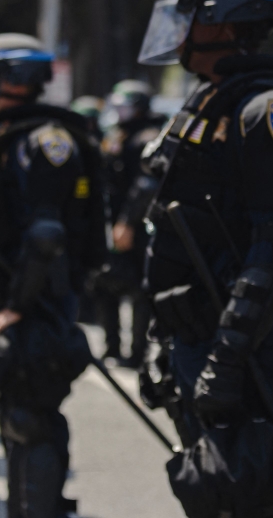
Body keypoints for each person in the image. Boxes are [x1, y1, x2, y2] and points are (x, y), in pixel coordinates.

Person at [136, 0, 273, 515]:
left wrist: (225, 360)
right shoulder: (212, 98)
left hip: (243, 347)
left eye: (189, 16)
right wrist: (164, 338)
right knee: (213, 492)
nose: (178, 32)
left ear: (223, 21)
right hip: (199, 334)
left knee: (250, 495)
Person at [0, 33, 103, 518]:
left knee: (31, 417)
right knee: (16, 414)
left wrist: (16, 305)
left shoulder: (45, 141)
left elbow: (45, 235)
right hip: (15, 299)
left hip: (36, 303)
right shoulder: (13, 134)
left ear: (13, 81)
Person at [96, 79, 166, 366]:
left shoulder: (147, 137)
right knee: (103, 282)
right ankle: (112, 346)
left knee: (139, 288)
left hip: (138, 225)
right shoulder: (117, 136)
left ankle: (137, 351)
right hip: (113, 222)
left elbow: (146, 185)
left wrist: (127, 222)